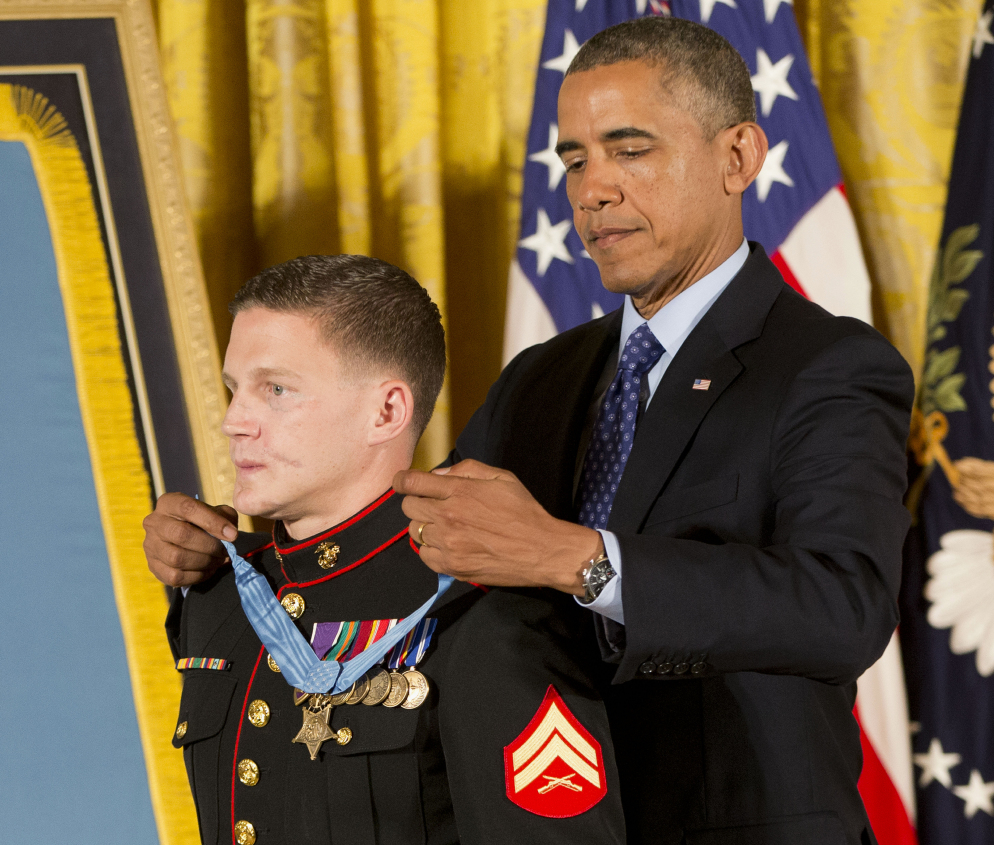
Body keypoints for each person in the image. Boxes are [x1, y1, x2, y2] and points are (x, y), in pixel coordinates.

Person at [144, 18, 914, 845]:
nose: (593, 190)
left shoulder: (827, 364)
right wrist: (229, 558)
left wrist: (576, 558)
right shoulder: (542, 377)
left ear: (738, 157)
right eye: (575, 159)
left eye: (630, 150)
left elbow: (843, 606)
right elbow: (413, 553)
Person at [161, 254, 626, 845]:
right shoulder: (218, 593)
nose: (234, 421)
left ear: (387, 411)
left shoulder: (482, 614)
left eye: (276, 389)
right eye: (234, 389)